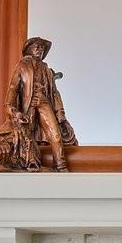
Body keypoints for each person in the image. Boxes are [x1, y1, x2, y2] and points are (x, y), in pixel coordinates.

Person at [9, 35, 76, 171]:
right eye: (36, 46)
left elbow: (55, 93)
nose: (39, 49)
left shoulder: (47, 69)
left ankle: (61, 165)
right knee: (27, 136)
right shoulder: (22, 65)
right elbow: (13, 89)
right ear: (29, 49)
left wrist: (60, 112)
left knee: (55, 134)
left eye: (42, 47)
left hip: (44, 101)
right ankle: (30, 163)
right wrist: (12, 109)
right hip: (29, 103)